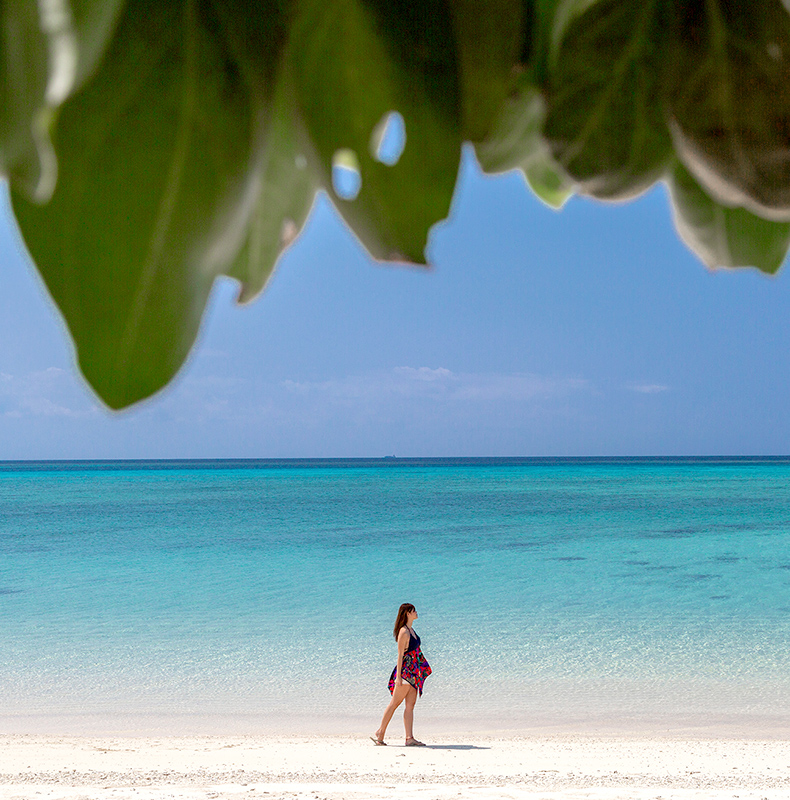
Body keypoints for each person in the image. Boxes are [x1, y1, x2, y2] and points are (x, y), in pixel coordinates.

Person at [371, 603, 432, 746]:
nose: (416, 612)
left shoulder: (411, 630)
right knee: (394, 704)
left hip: (413, 674)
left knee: (410, 706)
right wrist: (398, 677)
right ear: (407, 613)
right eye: (413, 611)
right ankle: (380, 733)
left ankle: (409, 738)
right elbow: (400, 655)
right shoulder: (403, 632)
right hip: (405, 674)